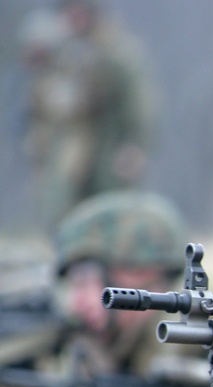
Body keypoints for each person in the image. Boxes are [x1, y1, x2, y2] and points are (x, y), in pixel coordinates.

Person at [0, 190, 195, 387]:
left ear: (141, 275)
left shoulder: (189, 348)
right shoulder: (91, 347)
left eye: (86, 280)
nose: (76, 302)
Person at [20, 0, 156, 231]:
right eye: (69, 10)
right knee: (61, 211)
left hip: (107, 143)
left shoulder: (115, 49)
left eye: (79, 10)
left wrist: (134, 145)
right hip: (66, 148)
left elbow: (138, 102)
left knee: (112, 211)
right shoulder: (60, 47)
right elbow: (43, 98)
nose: (74, 17)